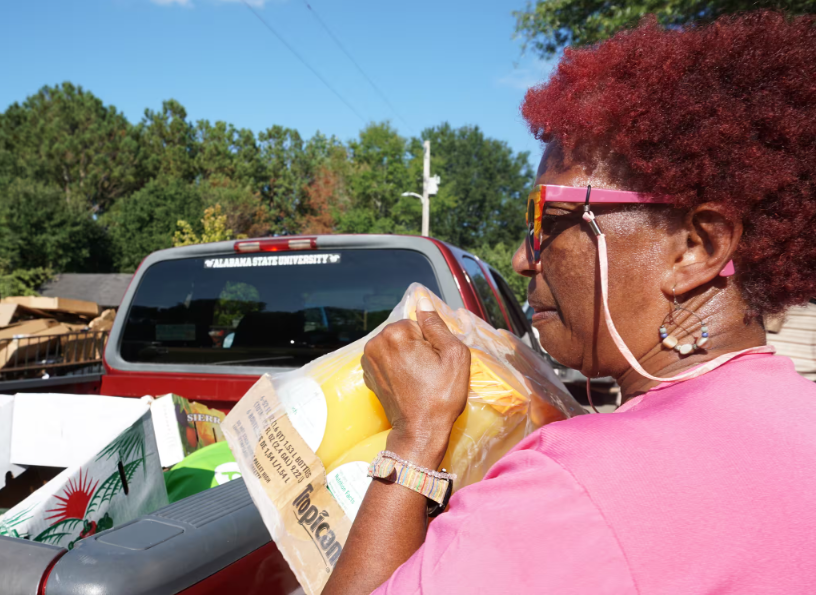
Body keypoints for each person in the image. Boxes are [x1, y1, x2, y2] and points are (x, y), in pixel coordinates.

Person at [325, 12, 815, 595]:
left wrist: (415, 439)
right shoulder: (797, 411)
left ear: (696, 247)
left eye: (548, 222)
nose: (521, 258)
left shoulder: (572, 487)